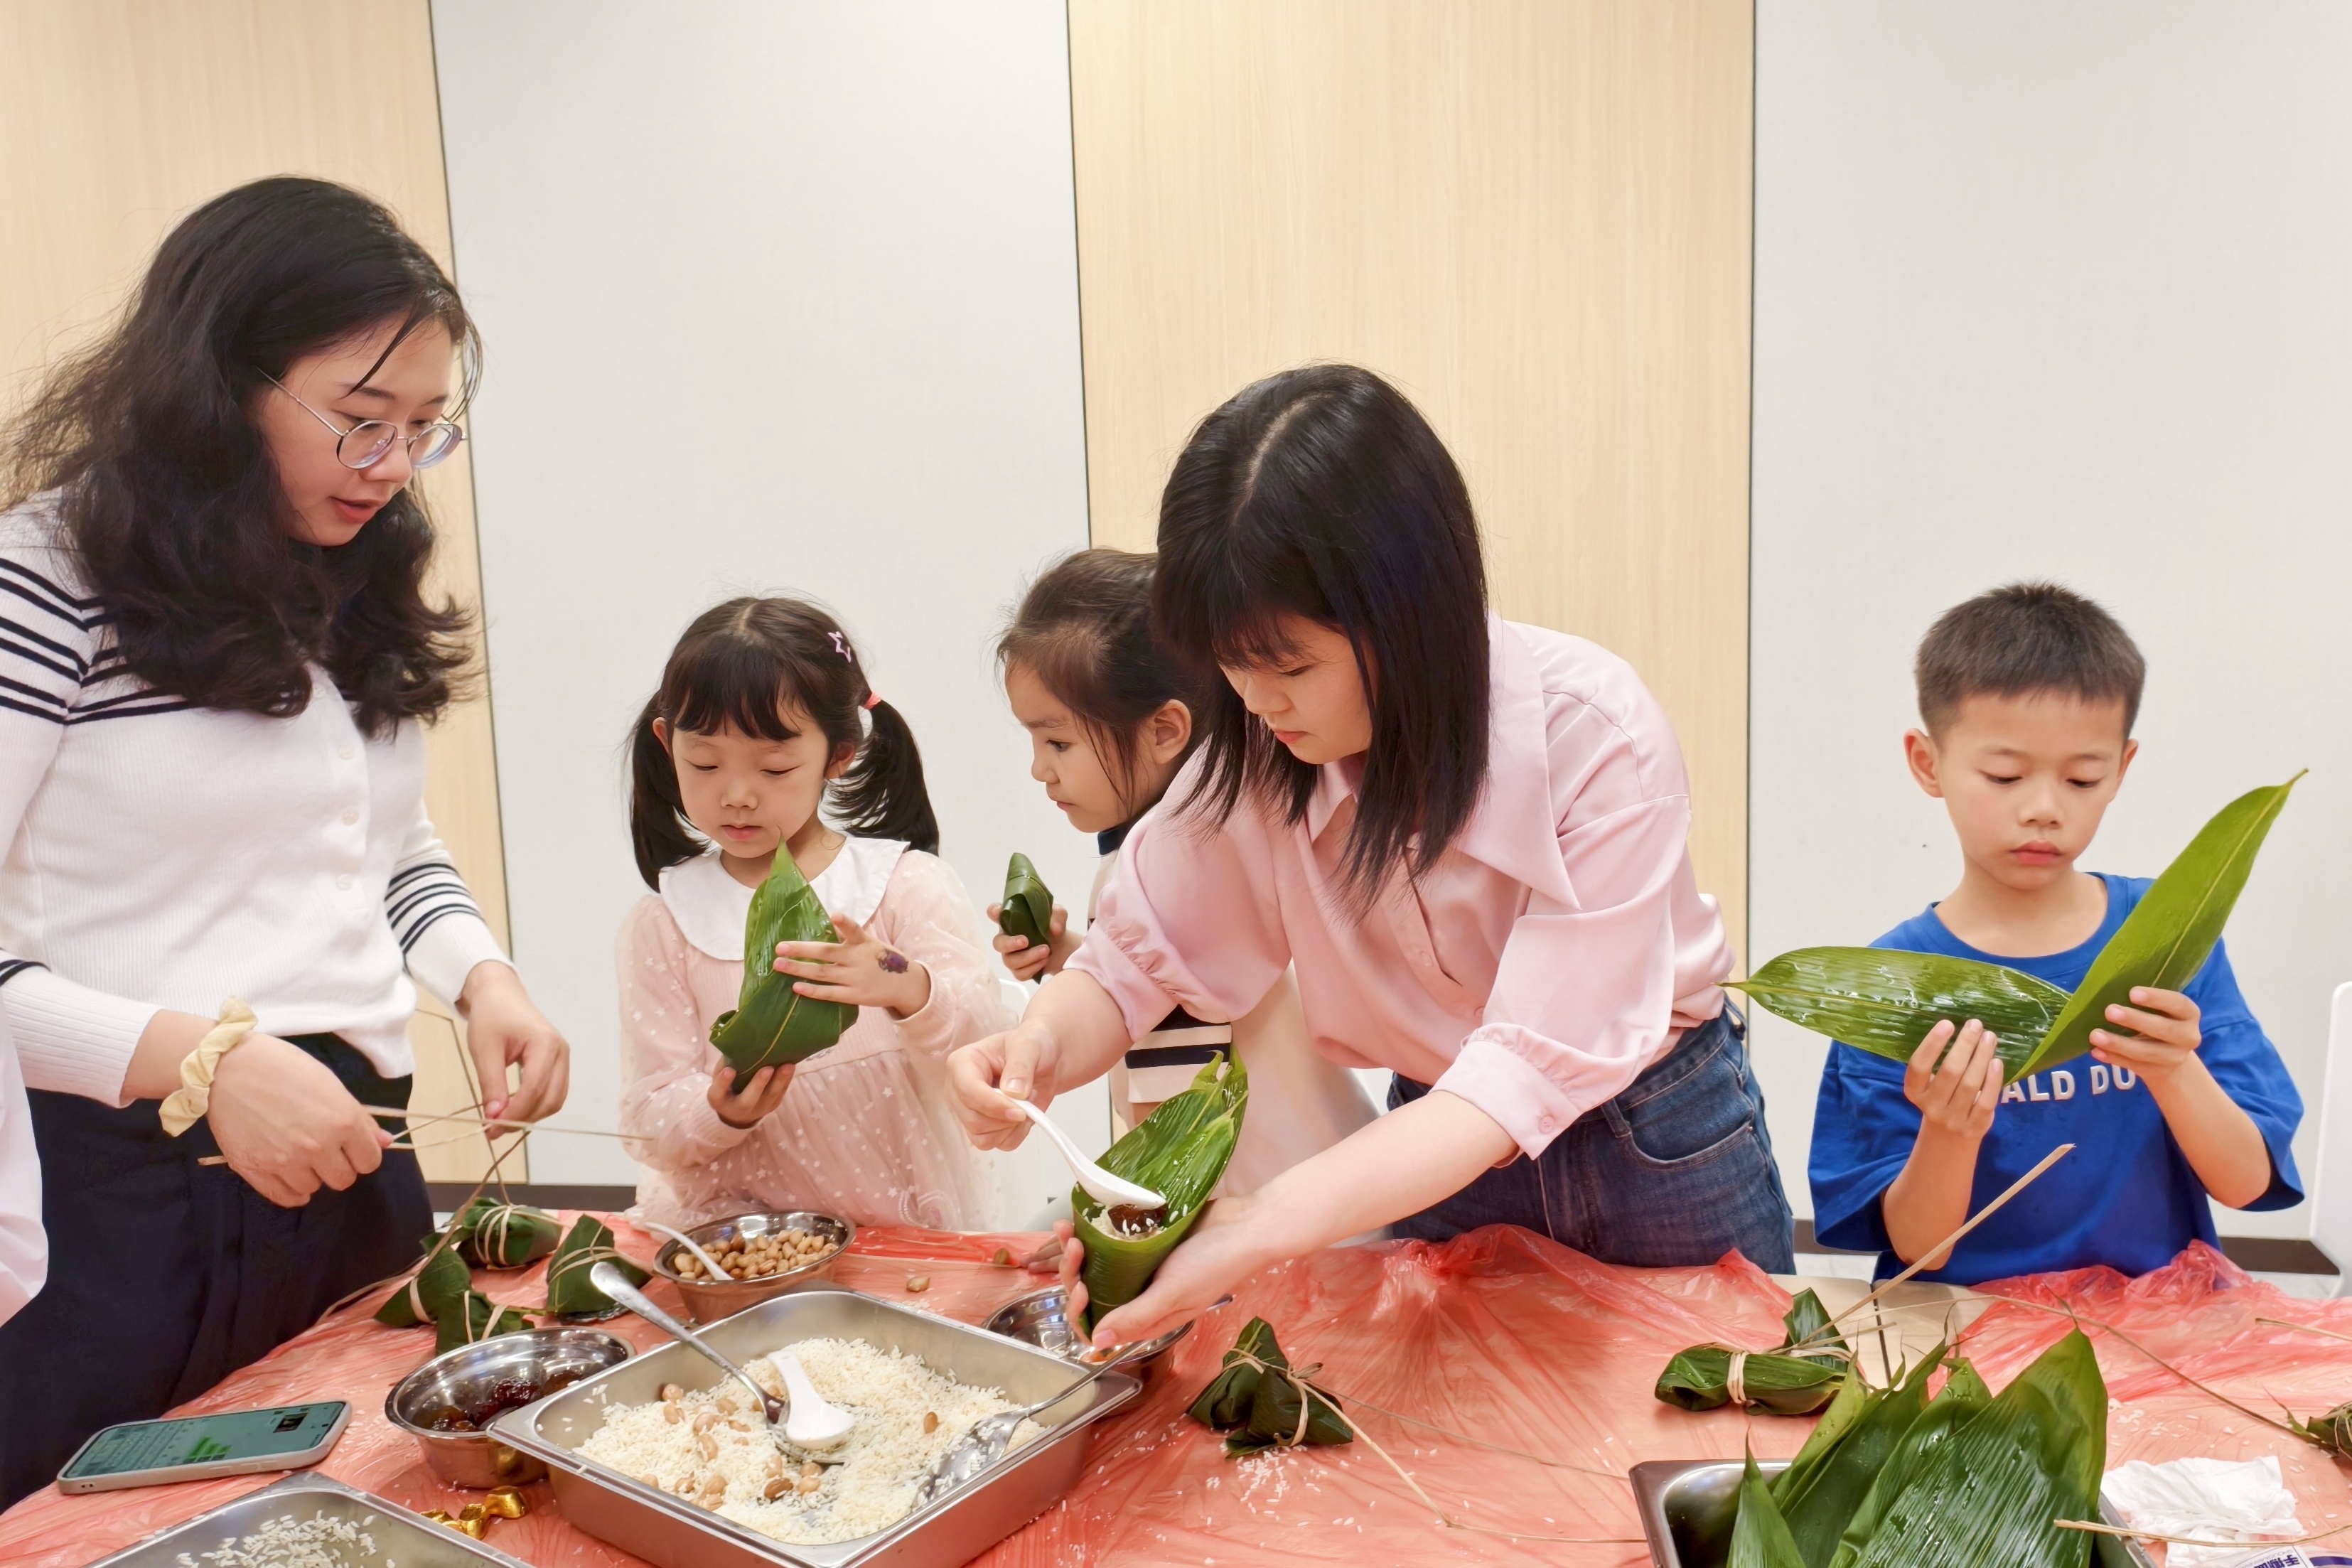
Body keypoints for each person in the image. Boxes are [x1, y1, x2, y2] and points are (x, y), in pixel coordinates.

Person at [948, 365, 1792, 1346]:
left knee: (1730, 1404)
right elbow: (1134, 958)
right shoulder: (1257, 756)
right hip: (1425, 1145)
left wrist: (1259, 1225)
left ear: (1408, 612)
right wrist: (1042, 1045)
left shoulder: (1593, 736)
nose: (1256, 699)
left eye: (1289, 664)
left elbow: (1522, 1071)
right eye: (1231, 662)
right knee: (1462, 1428)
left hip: (1655, 1135)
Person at [0, 177, 569, 1503]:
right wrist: (199, 1060)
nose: (392, 464)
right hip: (132, 1188)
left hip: (356, 1157)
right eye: (359, 419)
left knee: (376, 1503)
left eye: (424, 427)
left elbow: (386, 846)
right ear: (218, 383)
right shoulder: (47, 577)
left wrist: (480, 974)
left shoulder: (344, 566)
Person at [1809, 584, 2302, 1284]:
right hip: (1968, 1326)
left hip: (2155, 1322)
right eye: (2004, 775)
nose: (2043, 809)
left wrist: (2172, 1069)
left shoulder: (2164, 937)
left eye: (2081, 780)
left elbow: (2247, 1185)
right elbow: (1920, 1248)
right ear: (1927, 763)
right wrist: (1948, 1131)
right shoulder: (1891, 983)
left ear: (2121, 769)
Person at [616, 597, 1010, 1231]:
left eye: (774, 768)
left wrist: (908, 988)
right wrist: (721, 1112)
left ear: (839, 754)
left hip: (904, 1236)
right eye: (705, 763)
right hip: (742, 1247)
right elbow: (648, 1119)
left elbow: (989, 1049)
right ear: (666, 744)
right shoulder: (664, 925)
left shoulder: (901, 886)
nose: (737, 795)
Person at [992, 549, 1376, 1197]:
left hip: (1263, 1204)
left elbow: (1171, 1106)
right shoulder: (1219, 836)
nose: (1039, 769)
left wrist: (1145, 1218)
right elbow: (1168, 987)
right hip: (1335, 1172)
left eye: (1058, 742)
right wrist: (1075, 956)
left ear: (1165, 730)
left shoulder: (1161, 868)